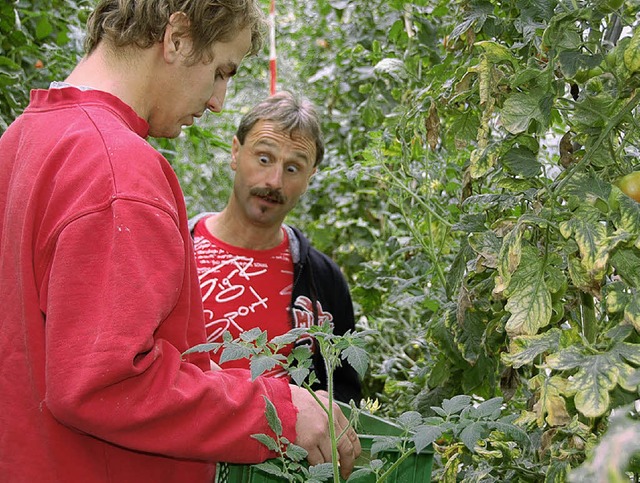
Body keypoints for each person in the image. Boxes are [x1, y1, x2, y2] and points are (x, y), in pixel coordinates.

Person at [0, 1, 360, 482]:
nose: (218, 100)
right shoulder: (117, 170)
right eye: (220, 71)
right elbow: (104, 385)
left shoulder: (24, 138)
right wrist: (278, 409)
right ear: (176, 38)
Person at [190, 91, 362, 405]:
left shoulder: (322, 280)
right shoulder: (176, 250)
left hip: (283, 454)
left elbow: (345, 396)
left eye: (293, 168)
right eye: (264, 158)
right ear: (235, 152)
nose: (274, 181)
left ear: (310, 178)